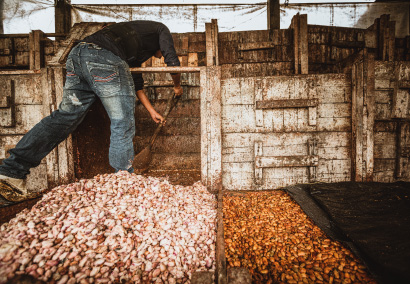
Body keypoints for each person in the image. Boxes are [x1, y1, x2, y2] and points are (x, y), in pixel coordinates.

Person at [0, 20, 183, 207]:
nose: (160, 57)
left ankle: (10, 172)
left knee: (65, 117)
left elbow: (136, 83)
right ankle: (124, 186)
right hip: (104, 59)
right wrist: (177, 86)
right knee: (122, 123)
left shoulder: (130, 44)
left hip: (77, 56)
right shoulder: (161, 29)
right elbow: (172, 62)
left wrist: (152, 111)